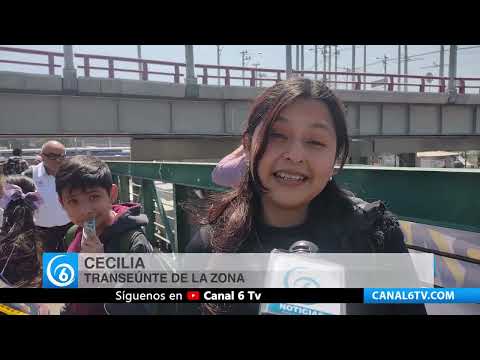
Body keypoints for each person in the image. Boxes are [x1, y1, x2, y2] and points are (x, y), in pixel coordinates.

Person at [184, 78, 426, 315]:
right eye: (277, 135)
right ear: (248, 145)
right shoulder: (209, 247)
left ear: (336, 158)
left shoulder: (376, 237)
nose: (295, 155)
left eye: (315, 141)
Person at [55, 155, 154, 315]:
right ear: (62, 203)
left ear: (112, 194)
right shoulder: (73, 233)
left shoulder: (134, 243)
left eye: (94, 197)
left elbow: (139, 309)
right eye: (73, 201)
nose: (85, 210)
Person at [22, 141, 71, 252]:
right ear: (42, 156)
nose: (58, 160)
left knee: (69, 263)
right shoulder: (30, 175)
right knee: (51, 263)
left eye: (62, 156)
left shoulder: (71, 173)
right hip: (42, 231)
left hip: (69, 227)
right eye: (53, 156)